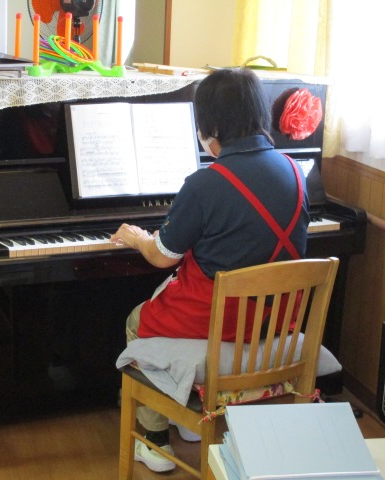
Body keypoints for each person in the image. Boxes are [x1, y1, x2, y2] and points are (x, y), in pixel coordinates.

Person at [110, 68, 310, 473]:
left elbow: (162, 256)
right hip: (273, 323)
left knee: (137, 321)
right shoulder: (294, 171)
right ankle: (192, 420)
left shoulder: (205, 183)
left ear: (212, 126)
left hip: (222, 325)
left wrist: (139, 238)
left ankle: (154, 439)